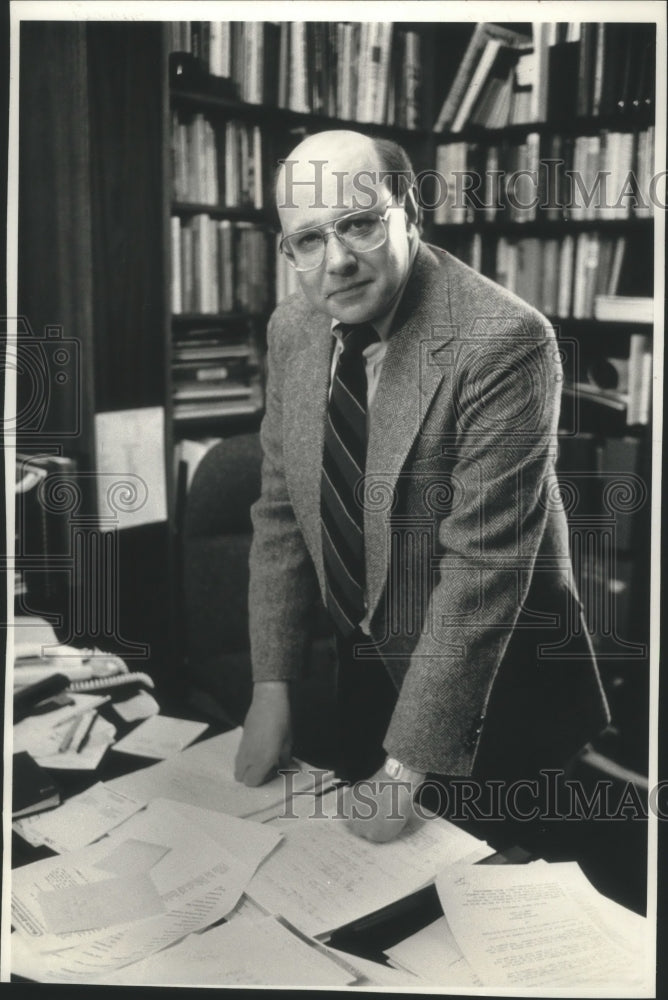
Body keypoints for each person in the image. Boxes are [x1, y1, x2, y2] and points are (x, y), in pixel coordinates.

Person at [234, 130, 609, 842]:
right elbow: (282, 511)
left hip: (495, 691)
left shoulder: (504, 340)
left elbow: (481, 574)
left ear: (408, 210)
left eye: (359, 223)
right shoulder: (295, 326)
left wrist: (405, 771)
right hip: (368, 665)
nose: (336, 261)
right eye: (308, 239)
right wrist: (270, 686)